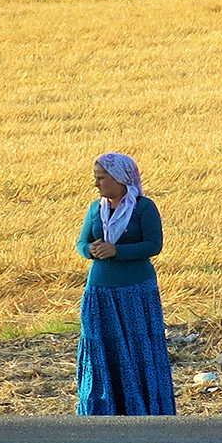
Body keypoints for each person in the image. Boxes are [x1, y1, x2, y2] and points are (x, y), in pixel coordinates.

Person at [74, 152, 176, 416]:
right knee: (101, 347)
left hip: (136, 292)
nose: (96, 183)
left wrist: (117, 251)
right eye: (96, 178)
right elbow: (82, 243)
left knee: (137, 348)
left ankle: (142, 408)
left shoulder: (144, 208)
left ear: (120, 179)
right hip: (100, 293)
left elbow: (153, 245)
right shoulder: (96, 209)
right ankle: (103, 408)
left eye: (101, 178)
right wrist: (90, 250)